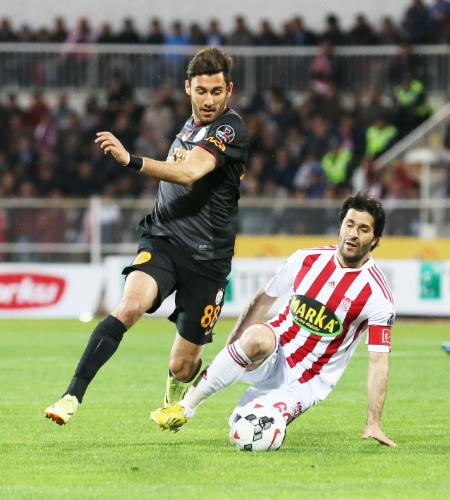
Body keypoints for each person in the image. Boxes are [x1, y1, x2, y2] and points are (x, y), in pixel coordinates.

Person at [45, 47, 249, 425]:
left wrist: (131, 160)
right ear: (188, 88)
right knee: (129, 307)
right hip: (163, 240)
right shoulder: (187, 126)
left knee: (183, 365)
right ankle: (71, 395)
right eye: (201, 91)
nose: (208, 100)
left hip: (208, 260)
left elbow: (188, 173)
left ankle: (176, 387)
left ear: (229, 91)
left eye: (216, 92)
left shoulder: (229, 128)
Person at [151, 193, 397, 447]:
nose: (353, 234)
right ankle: (185, 407)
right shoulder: (306, 259)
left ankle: (249, 415)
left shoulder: (377, 295)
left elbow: (378, 362)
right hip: (274, 352)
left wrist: (373, 422)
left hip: (306, 382)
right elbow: (263, 300)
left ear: (375, 239)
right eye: (349, 224)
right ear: (341, 225)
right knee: (256, 337)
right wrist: (234, 345)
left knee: (250, 434)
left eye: (363, 229)